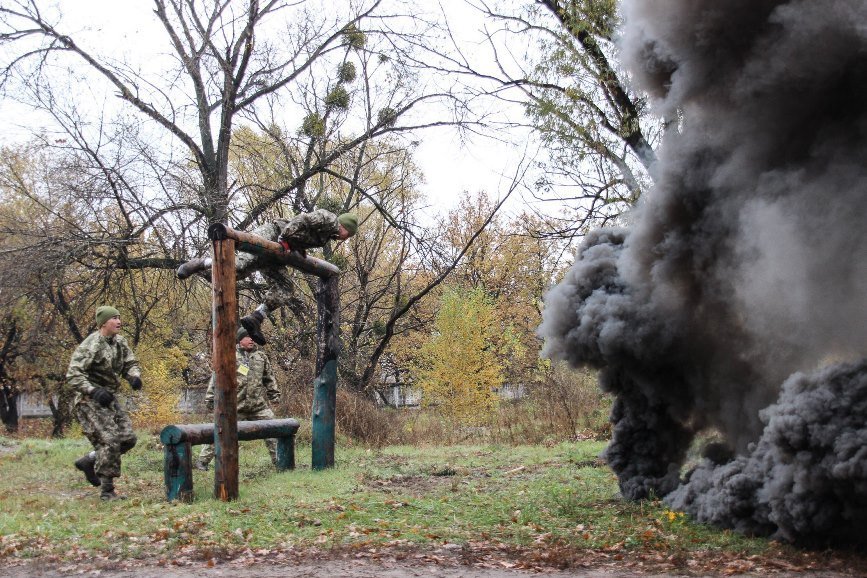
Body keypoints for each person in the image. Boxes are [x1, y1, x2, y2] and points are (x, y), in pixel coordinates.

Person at [177, 209, 358, 344]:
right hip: (273, 234)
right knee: (238, 266)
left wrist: (298, 247)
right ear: (344, 227)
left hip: (281, 250)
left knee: (285, 287)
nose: (345, 238)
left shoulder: (328, 234)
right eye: (347, 234)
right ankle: (202, 263)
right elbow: (303, 220)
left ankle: (256, 317)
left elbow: (304, 233)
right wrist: (286, 238)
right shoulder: (330, 220)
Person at [67, 306, 143, 501]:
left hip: (108, 397)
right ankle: (107, 491)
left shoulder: (119, 342)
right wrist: (92, 390)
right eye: (114, 318)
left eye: (119, 317)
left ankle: (89, 460)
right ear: (103, 323)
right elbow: (73, 374)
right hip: (88, 400)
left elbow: (130, 363)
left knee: (128, 439)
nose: (119, 321)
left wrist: (133, 377)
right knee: (109, 440)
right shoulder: (90, 345)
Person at [194, 326, 282, 471]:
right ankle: (202, 462)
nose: (252, 339)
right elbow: (216, 377)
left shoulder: (261, 357)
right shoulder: (230, 356)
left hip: (257, 406)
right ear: (240, 340)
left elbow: (269, 378)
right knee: (221, 430)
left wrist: (274, 396)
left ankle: (280, 462)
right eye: (248, 336)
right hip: (235, 406)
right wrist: (210, 399)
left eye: (253, 336)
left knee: (273, 430)